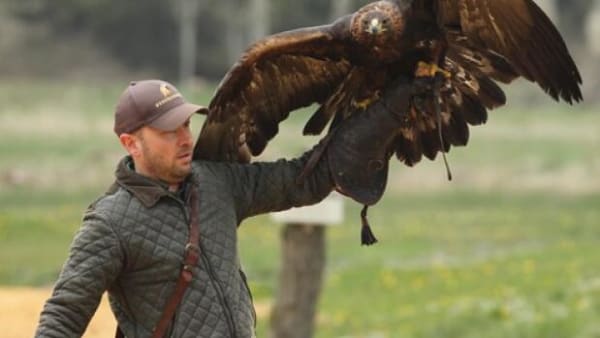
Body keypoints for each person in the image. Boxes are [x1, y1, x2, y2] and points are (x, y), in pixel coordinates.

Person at [34, 77, 424, 337]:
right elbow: (63, 316)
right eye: (169, 131)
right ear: (130, 143)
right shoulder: (110, 222)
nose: (185, 138)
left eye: (186, 125)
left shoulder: (215, 182)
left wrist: (383, 116)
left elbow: (300, 181)